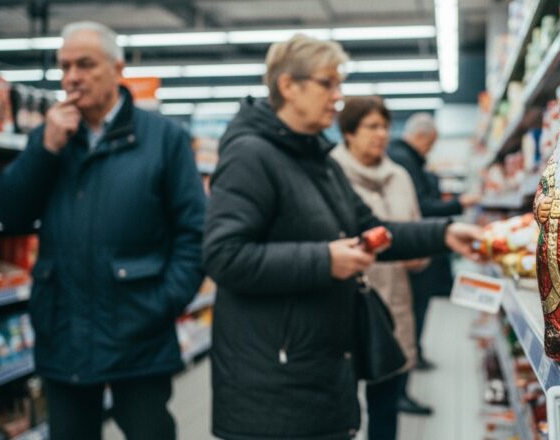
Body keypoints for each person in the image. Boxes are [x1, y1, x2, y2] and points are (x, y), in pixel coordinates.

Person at [202, 34, 484, 440]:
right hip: (273, 385)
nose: (338, 96)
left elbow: (372, 229)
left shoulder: (318, 160)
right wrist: (325, 260)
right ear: (288, 86)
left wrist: (445, 233)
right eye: (327, 83)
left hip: (321, 366)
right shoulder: (250, 156)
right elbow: (224, 256)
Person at [0, 21, 205, 440]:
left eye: (85, 65)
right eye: (65, 66)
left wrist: (164, 301)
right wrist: (44, 149)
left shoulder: (164, 139)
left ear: (117, 69)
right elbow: (9, 213)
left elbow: (194, 233)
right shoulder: (51, 137)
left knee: (151, 433)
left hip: (139, 332)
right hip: (64, 331)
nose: (72, 77)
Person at [331, 96, 429, 440]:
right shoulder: (330, 173)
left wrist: (420, 255)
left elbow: (415, 230)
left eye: (385, 126)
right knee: (339, 409)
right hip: (343, 305)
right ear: (348, 132)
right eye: (371, 126)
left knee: (386, 406)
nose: (382, 134)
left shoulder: (399, 176)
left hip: (393, 305)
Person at [387, 113, 479, 414]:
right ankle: (399, 389)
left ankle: (408, 368)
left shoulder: (406, 160)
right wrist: (458, 204)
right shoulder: (403, 161)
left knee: (413, 315)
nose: (431, 149)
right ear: (422, 136)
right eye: (431, 143)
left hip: (416, 247)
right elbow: (422, 207)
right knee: (409, 317)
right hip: (412, 250)